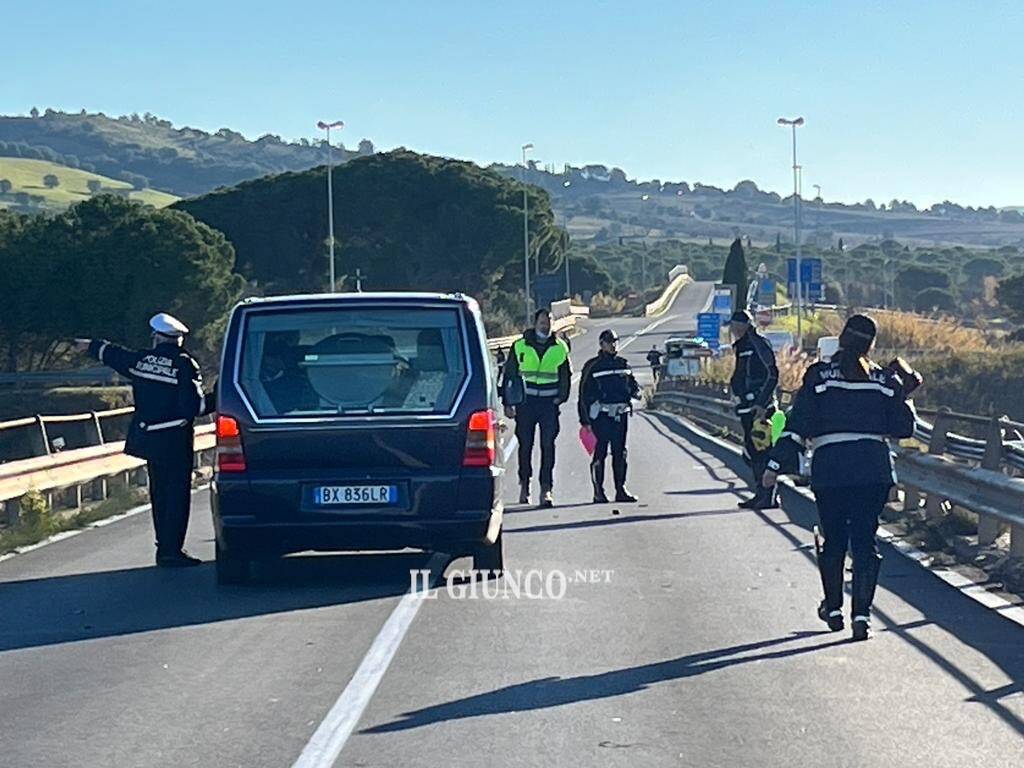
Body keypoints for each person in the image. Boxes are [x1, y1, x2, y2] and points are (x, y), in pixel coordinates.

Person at [762, 314, 918, 642]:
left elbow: (797, 423)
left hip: (831, 469)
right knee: (865, 541)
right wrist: (906, 394)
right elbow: (905, 428)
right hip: (873, 470)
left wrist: (775, 465)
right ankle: (862, 616)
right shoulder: (884, 380)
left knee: (833, 539)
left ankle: (833, 608)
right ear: (871, 345)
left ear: (841, 339)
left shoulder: (819, 376)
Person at [73, 313, 214, 567]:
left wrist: (92, 346)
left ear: (156, 338)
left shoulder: (142, 361)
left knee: (159, 493)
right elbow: (195, 406)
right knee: (177, 496)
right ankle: (172, 550)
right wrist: (221, 396)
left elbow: (117, 355)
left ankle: (164, 548)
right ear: (179, 340)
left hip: (149, 438)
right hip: (174, 439)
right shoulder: (185, 365)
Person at [502, 309, 572, 507]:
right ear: (535, 323)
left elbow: (566, 374)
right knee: (525, 446)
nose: (545, 326)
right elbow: (509, 376)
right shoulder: (520, 346)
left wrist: (561, 397)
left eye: (548, 322)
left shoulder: (560, 347)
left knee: (548, 446)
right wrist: (508, 403)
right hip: (526, 404)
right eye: (542, 322)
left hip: (549, 405)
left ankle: (546, 489)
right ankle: (524, 485)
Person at [579, 329, 641, 503]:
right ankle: (598, 492)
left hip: (620, 416)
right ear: (601, 344)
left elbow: (633, 386)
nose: (613, 345)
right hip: (601, 417)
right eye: (609, 341)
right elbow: (583, 394)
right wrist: (585, 420)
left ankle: (620, 490)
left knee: (620, 453)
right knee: (600, 454)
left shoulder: (623, 364)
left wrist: (636, 393)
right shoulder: (593, 366)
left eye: (615, 341)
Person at [729, 309, 779, 509]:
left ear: (742, 325)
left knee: (761, 451)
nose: (732, 329)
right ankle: (761, 493)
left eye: (734, 325)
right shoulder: (743, 345)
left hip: (759, 408)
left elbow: (772, 373)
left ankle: (767, 496)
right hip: (747, 407)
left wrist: (761, 402)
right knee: (752, 451)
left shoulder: (757, 343)